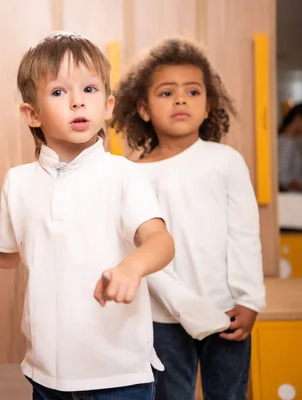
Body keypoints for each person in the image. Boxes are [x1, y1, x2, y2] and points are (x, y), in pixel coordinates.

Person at [0, 32, 175, 399]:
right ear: (32, 114)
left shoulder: (123, 175)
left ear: (108, 106)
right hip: (47, 374)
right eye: (58, 92)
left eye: (89, 89)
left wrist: (132, 267)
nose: (77, 102)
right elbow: (5, 254)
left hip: (119, 376)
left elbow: (161, 242)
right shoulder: (18, 182)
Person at [111, 38, 266, 399]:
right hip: (162, 317)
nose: (181, 99)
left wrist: (249, 300)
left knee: (228, 394)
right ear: (144, 109)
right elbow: (137, 248)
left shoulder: (225, 161)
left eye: (193, 91)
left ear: (208, 106)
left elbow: (244, 234)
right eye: (166, 93)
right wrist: (181, 305)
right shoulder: (132, 175)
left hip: (226, 311)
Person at [278, 103, 302, 191]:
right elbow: (283, 177)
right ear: (298, 119)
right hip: (291, 197)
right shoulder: (286, 142)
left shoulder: (286, 140)